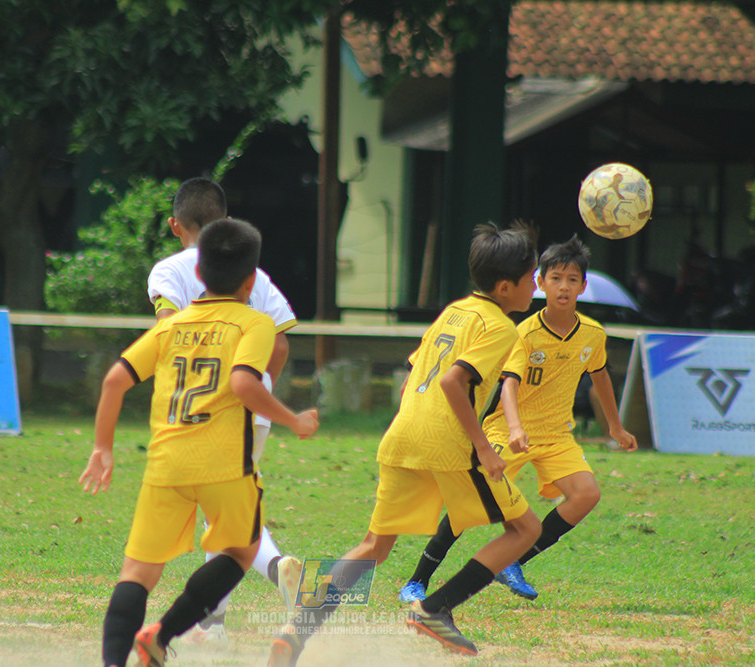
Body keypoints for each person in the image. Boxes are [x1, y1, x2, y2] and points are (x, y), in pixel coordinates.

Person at [268, 221, 542, 665]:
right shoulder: (501, 327)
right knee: (526, 529)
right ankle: (435, 609)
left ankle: (296, 630)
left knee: (373, 547)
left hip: (402, 433)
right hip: (447, 440)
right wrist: (484, 447)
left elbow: (412, 377)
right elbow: (453, 382)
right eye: (532, 277)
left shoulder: (454, 311)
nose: (536, 285)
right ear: (506, 287)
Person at [80, 218, 319, 667]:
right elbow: (245, 383)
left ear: (199, 274)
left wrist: (102, 448)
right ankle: (162, 634)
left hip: (166, 464)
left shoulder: (171, 326)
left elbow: (114, 381)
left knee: (137, 573)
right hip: (224, 465)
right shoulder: (254, 324)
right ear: (251, 280)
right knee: (242, 552)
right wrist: (293, 419)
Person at [398, 235, 638, 607]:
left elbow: (601, 375)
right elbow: (508, 384)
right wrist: (514, 428)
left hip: (556, 436)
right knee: (468, 503)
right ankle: (417, 580)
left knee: (586, 495)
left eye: (572, 280)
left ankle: (512, 562)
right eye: (555, 278)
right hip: (508, 431)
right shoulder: (524, 333)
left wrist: (615, 427)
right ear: (540, 282)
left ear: (582, 287)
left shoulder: (592, 334)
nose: (563, 287)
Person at [146, 177, 302, 642]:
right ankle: (212, 626)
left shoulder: (169, 271)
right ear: (227, 222)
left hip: (201, 409)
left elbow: (169, 334)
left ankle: (277, 568)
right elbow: (280, 345)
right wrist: (259, 389)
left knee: (225, 517)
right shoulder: (255, 275)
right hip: (253, 408)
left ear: (176, 225)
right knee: (226, 513)